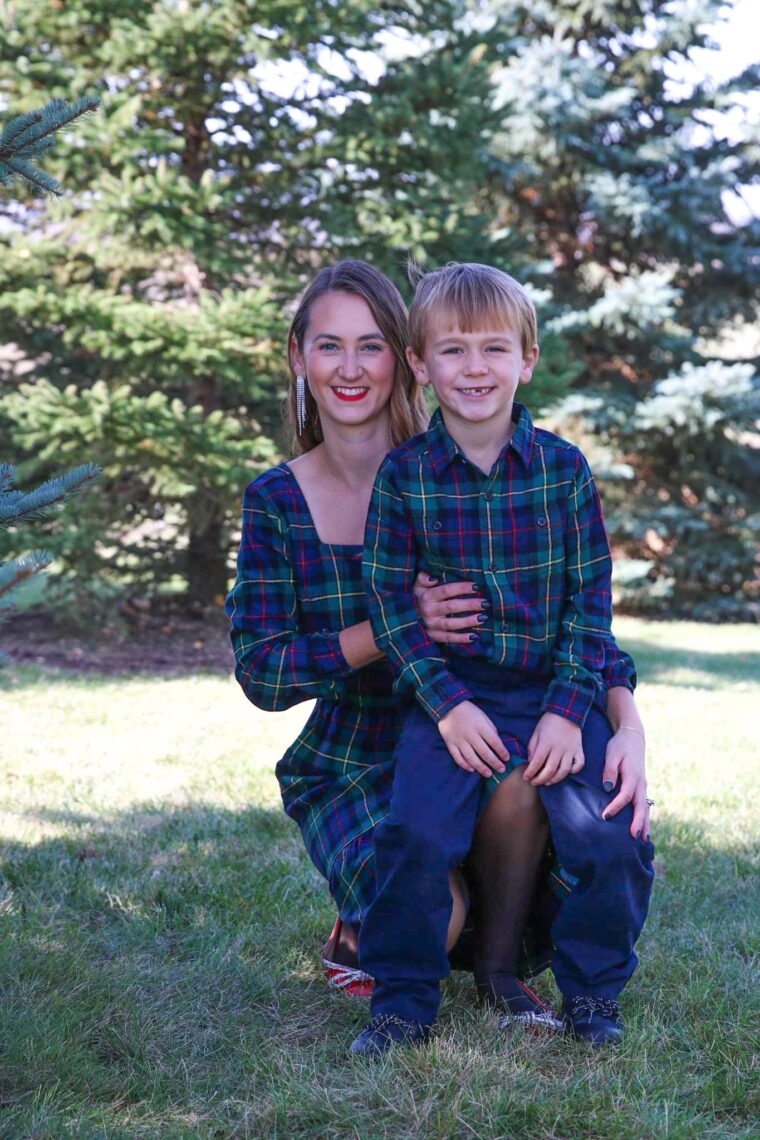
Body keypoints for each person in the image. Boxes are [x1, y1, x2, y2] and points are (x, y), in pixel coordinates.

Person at [225, 259, 557, 1006]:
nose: (350, 369)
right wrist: (393, 626)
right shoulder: (276, 501)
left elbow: (565, 609)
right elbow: (263, 673)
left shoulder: (452, 473)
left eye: (371, 345)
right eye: (329, 346)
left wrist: (623, 723)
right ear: (298, 357)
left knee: (554, 887)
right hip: (351, 753)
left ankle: (487, 933)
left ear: (404, 359)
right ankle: (364, 918)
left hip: (468, 729)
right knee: (435, 922)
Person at [351, 262, 654, 1057]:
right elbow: (390, 606)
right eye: (452, 351)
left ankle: (591, 995)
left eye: (494, 349)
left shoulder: (563, 472)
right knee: (414, 836)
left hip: (555, 690)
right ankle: (403, 1004)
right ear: (420, 365)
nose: (474, 368)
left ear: (528, 359)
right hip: (452, 694)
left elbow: (590, 607)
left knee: (609, 838)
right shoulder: (406, 476)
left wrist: (567, 711)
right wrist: (446, 705)